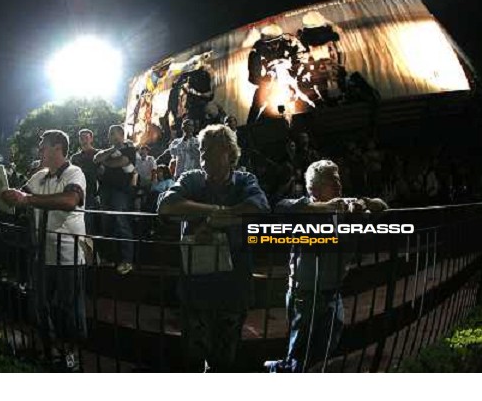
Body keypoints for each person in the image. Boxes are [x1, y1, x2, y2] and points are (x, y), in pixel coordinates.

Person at [158, 124, 270, 372]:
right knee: (192, 359)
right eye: (201, 150)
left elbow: (260, 207)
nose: (204, 156)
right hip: (196, 288)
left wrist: (218, 219)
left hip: (232, 288)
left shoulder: (245, 179)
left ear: (230, 153)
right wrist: (215, 212)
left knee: (225, 361)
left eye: (210, 150)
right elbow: (166, 207)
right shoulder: (192, 178)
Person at [275, 160, 387, 372]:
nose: (339, 184)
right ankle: (284, 370)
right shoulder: (304, 207)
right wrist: (325, 207)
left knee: (327, 345)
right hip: (305, 291)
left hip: (332, 290)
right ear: (314, 188)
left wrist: (366, 203)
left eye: (338, 179)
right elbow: (280, 207)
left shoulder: (344, 205)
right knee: (301, 352)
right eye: (331, 181)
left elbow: (383, 206)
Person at [1, 129, 87, 372]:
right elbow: (19, 197)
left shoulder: (75, 172)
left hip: (69, 256)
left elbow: (71, 201)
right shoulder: (39, 176)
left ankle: (71, 358)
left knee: (69, 312)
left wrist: (27, 200)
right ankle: (51, 352)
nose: (39, 150)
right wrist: (2, 193)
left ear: (58, 147)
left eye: (43, 146)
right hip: (43, 254)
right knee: (39, 307)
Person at [93, 125, 137, 275]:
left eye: (114, 133)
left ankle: (127, 260)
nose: (111, 136)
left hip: (121, 192)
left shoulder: (130, 150)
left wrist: (106, 161)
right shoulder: (109, 150)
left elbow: (122, 162)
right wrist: (111, 151)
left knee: (121, 223)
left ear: (122, 134)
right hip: (105, 191)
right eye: (109, 134)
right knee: (107, 224)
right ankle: (110, 258)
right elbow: (96, 158)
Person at [71, 129, 100, 233]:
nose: (84, 140)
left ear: (91, 139)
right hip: (77, 193)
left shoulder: (98, 154)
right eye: (81, 138)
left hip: (92, 193)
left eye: (86, 137)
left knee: (89, 223)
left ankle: (89, 247)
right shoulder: (75, 157)